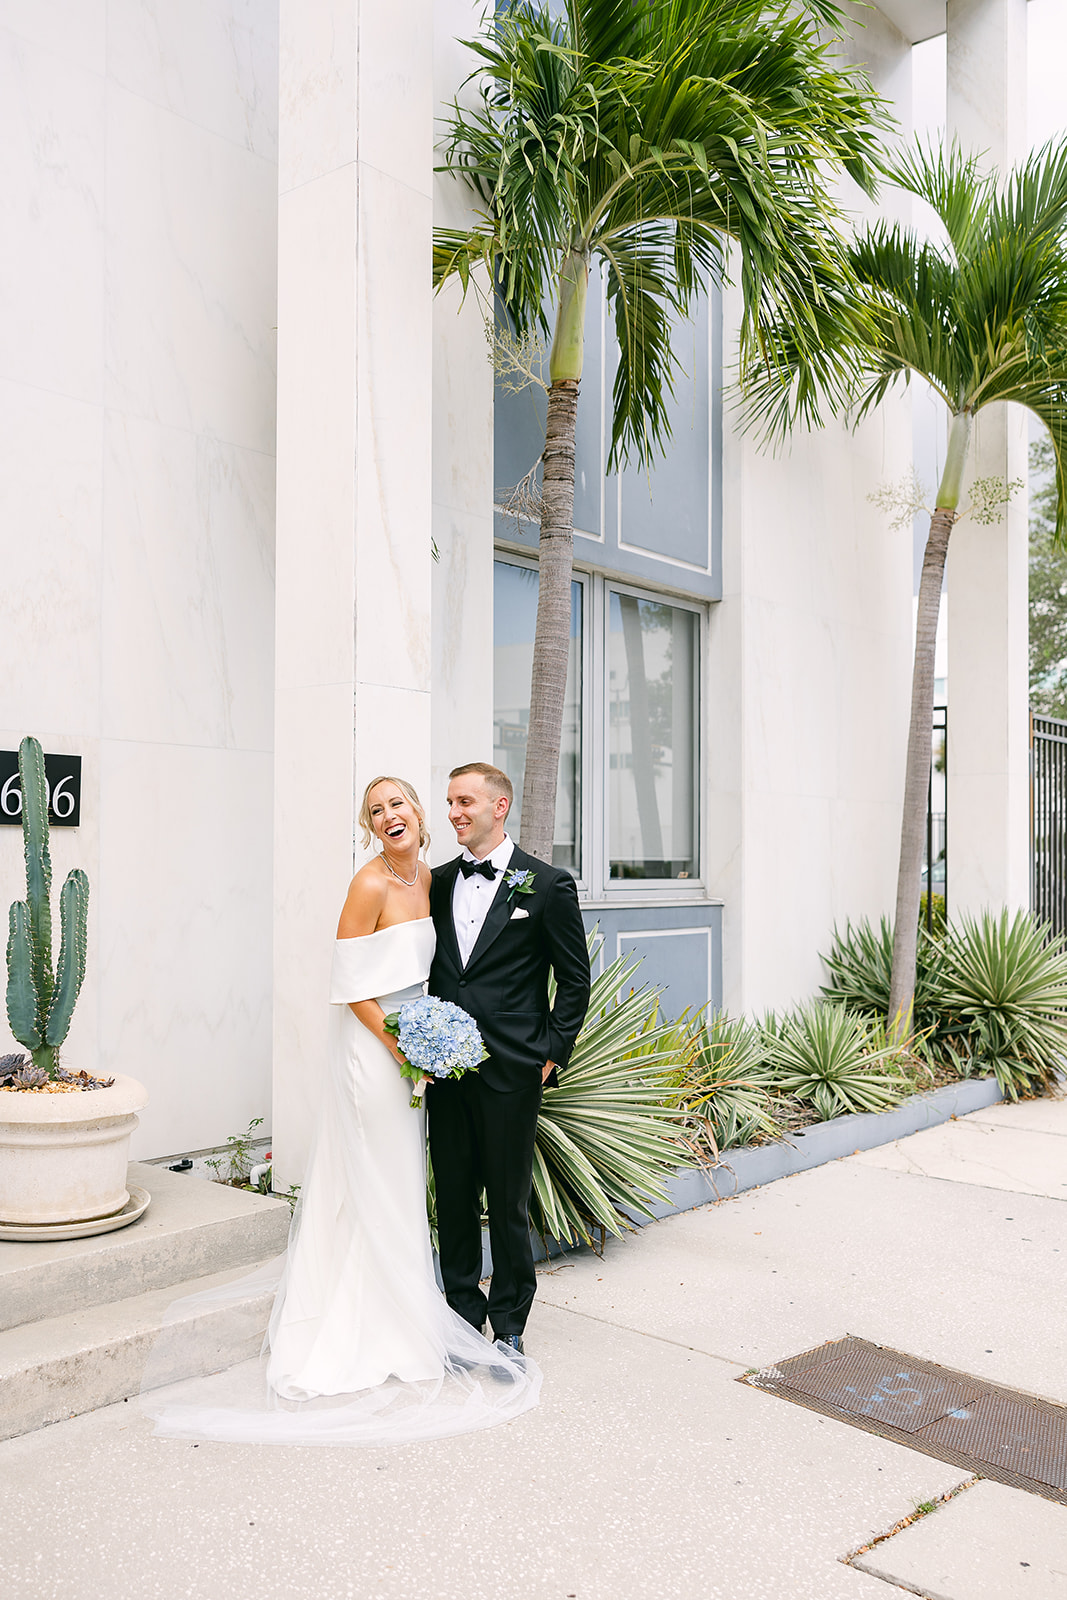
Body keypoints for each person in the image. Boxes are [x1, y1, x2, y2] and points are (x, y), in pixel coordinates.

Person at [143, 776, 540, 1445]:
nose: (389, 815)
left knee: (399, 1180)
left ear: (417, 812)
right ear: (369, 825)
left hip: (417, 1048)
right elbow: (350, 986)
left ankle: (406, 1316)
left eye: (397, 804)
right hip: (376, 1048)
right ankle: (377, 1326)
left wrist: (432, 1043)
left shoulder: (432, 879)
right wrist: (403, 1047)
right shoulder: (369, 883)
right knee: (380, 1175)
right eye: (375, 810)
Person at [428, 762, 591, 1353]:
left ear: (500, 807)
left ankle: (511, 1326)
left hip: (512, 1069)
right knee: (453, 1198)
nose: (454, 812)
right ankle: (460, 1317)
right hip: (445, 1070)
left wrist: (550, 1053)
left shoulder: (547, 885)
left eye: (465, 801)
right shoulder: (436, 883)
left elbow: (574, 980)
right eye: (450, 802)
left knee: (508, 1201)